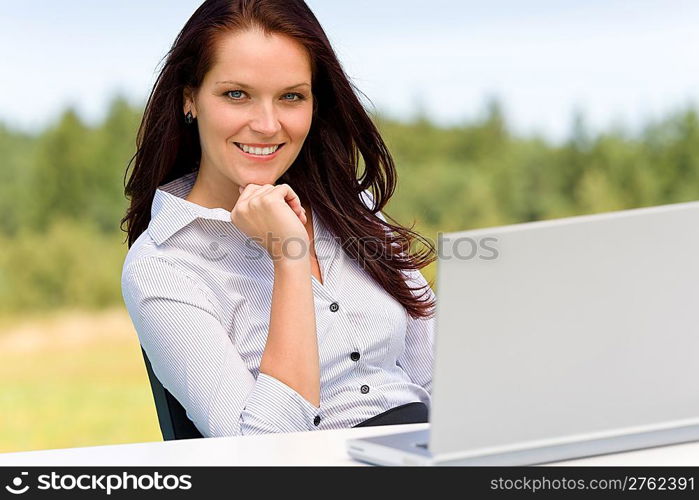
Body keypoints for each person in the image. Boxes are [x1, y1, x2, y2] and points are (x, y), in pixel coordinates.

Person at [120, 0, 437, 437]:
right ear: (189, 99)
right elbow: (262, 453)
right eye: (237, 94)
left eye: (291, 96)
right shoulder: (162, 266)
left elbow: (439, 379)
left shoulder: (352, 211)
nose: (268, 125)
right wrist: (290, 259)